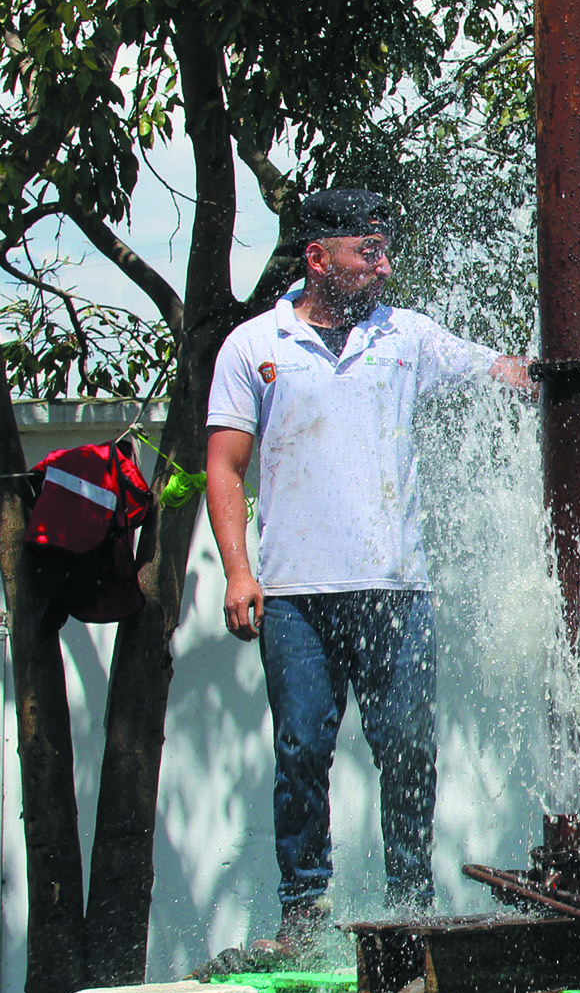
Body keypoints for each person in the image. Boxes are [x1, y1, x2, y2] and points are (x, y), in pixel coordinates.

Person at [205, 188, 534, 949]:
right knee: (300, 752)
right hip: (294, 594)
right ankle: (302, 909)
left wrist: (571, 370)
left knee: (409, 746)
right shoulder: (256, 345)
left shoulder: (406, 337)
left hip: (394, 587)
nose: (384, 268)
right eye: (368, 253)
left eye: (387, 251)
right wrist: (237, 571)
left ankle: (411, 901)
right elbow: (224, 468)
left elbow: (499, 372)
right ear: (318, 259)